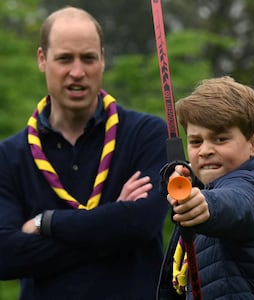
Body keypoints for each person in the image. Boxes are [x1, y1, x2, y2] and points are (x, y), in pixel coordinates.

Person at [0, 6, 169, 300]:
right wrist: (114, 222)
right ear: (42, 59)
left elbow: (142, 224)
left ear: (103, 59)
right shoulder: (8, 155)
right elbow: (5, 255)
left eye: (88, 58)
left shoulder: (148, 133)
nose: (77, 72)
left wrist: (46, 223)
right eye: (65, 58)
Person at [157, 76, 254, 299]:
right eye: (196, 142)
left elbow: (237, 203)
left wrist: (206, 205)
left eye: (220, 139)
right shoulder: (204, 183)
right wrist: (173, 176)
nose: (205, 150)